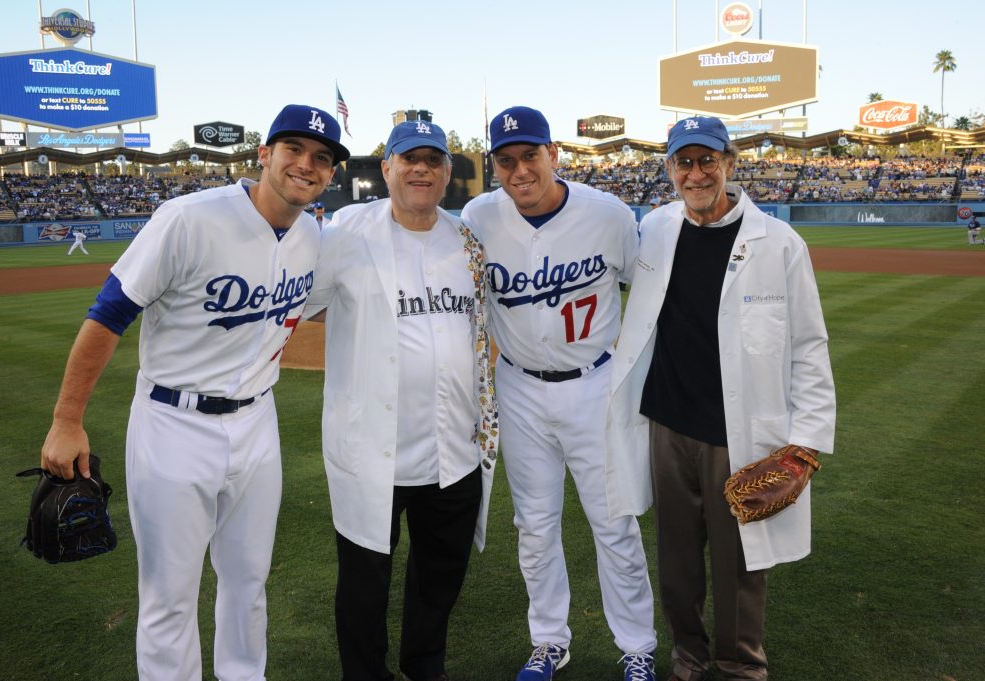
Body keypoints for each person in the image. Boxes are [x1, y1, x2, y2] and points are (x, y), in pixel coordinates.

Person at [39, 103, 349, 681]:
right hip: (172, 424)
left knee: (248, 581)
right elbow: (108, 316)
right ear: (264, 155)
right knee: (169, 595)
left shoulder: (313, 236)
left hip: (258, 423)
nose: (307, 165)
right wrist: (66, 418)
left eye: (322, 158)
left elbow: (320, 309)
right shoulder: (187, 217)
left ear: (331, 173)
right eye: (294, 151)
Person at [604, 116, 836, 681]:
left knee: (739, 566)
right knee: (678, 564)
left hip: (742, 433)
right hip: (668, 424)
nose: (697, 173)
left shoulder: (778, 243)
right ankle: (688, 659)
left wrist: (806, 443)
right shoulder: (654, 229)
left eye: (708, 160)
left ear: (730, 164)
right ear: (670, 171)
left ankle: (739, 667)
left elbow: (809, 344)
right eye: (684, 162)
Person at [461, 106, 657, 681]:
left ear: (555, 155)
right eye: (506, 160)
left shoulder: (609, 215)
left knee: (613, 523)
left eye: (530, 155)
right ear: (495, 166)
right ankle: (549, 640)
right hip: (518, 387)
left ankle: (638, 646)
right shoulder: (478, 216)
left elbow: (644, 296)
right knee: (535, 525)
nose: (520, 170)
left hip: (594, 384)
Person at [306, 119, 498, 681]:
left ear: (446, 175)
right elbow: (291, 300)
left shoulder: (467, 240)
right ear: (385, 167)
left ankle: (424, 666)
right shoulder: (345, 235)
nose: (421, 168)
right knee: (365, 585)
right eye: (408, 158)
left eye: (432, 160)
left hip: (452, 446)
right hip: (373, 450)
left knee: (440, 576)